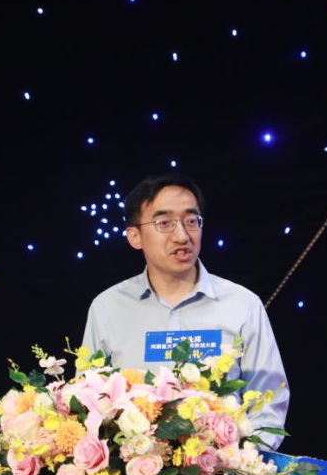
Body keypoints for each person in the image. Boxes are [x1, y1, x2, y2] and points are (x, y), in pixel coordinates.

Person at [82, 173, 289, 449]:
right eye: (164, 223)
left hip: (225, 471)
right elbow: (89, 402)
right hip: (135, 471)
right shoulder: (107, 308)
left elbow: (269, 402)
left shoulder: (243, 306)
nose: (182, 236)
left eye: (191, 221)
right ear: (135, 237)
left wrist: (244, 461)